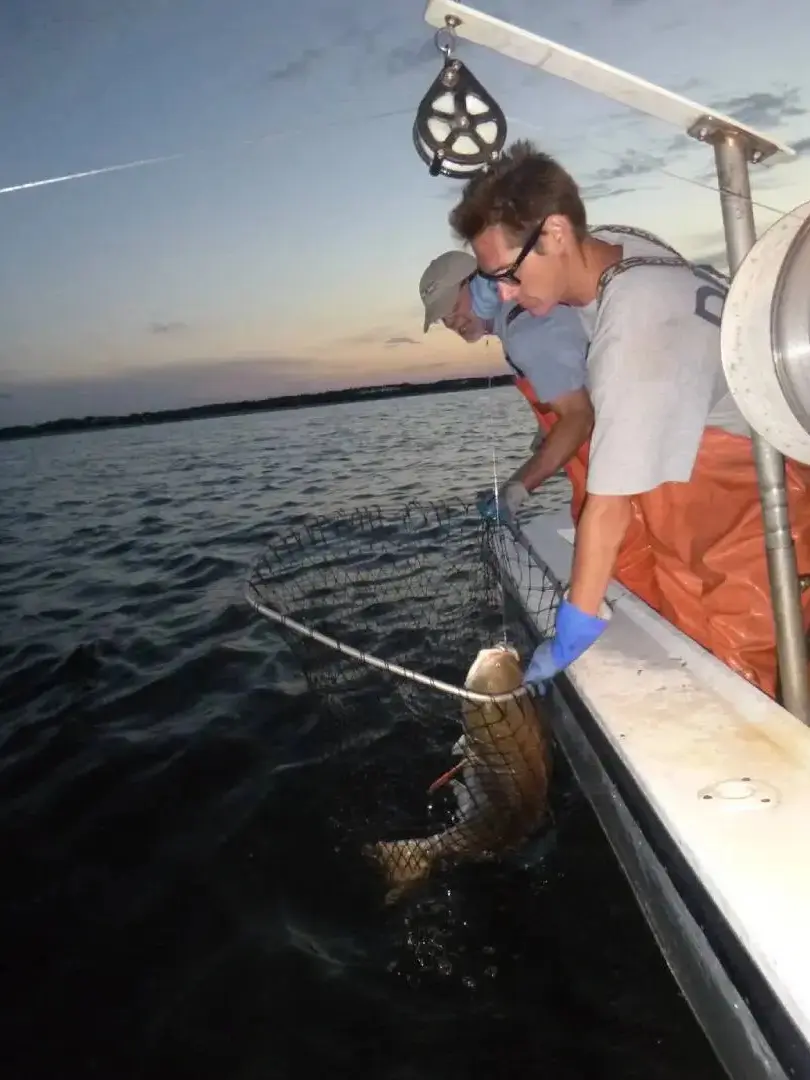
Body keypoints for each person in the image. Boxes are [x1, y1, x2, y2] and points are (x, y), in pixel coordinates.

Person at [447, 139, 810, 700]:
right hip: (725, 475)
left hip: (744, 502)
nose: (504, 293)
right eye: (492, 280)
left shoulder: (636, 331)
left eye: (510, 274)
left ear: (558, 234)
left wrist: (574, 629)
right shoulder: (624, 249)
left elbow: (609, 505)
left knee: (737, 669)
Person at [418, 249, 592, 523]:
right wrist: (546, 429)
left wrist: (516, 490)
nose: (452, 324)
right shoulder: (520, 316)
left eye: (453, 308)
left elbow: (580, 419)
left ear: (482, 283)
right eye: (443, 318)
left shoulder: (526, 333)